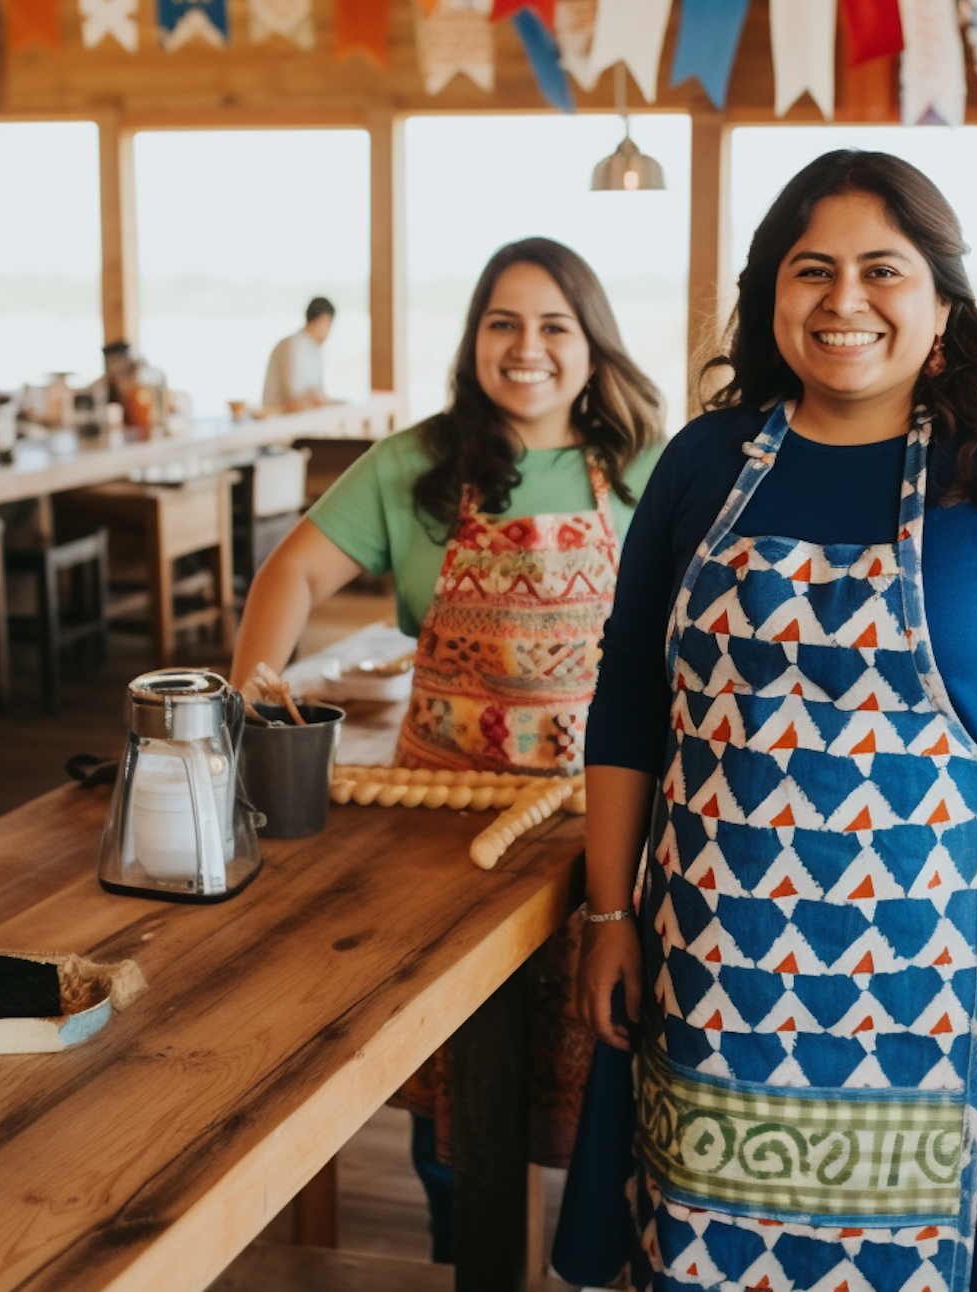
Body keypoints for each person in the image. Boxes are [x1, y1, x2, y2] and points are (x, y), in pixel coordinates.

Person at [571, 152, 977, 1292]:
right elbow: (630, 690)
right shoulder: (702, 463)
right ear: (769, 294)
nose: (842, 301)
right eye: (809, 270)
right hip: (710, 968)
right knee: (704, 1243)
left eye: (883, 270)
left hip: (942, 968)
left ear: (941, 304)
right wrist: (606, 910)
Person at [231, 237, 667, 1261]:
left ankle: (591, 1259)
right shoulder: (419, 464)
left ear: (593, 343)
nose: (528, 348)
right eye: (502, 323)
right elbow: (286, 579)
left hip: (602, 827)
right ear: (473, 338)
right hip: (443, 837)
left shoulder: (648, 465)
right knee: (455, 1083)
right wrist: (249, 718)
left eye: (556, 325)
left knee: (609, 1050)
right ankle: (466, 1256)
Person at [262, 296, 336, 413]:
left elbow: (318, 392)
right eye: (329, 326)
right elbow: (293, 395)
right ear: (323, 320)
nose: (329, 332)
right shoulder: (292, 344)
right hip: (279, 416)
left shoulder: (314, 349)